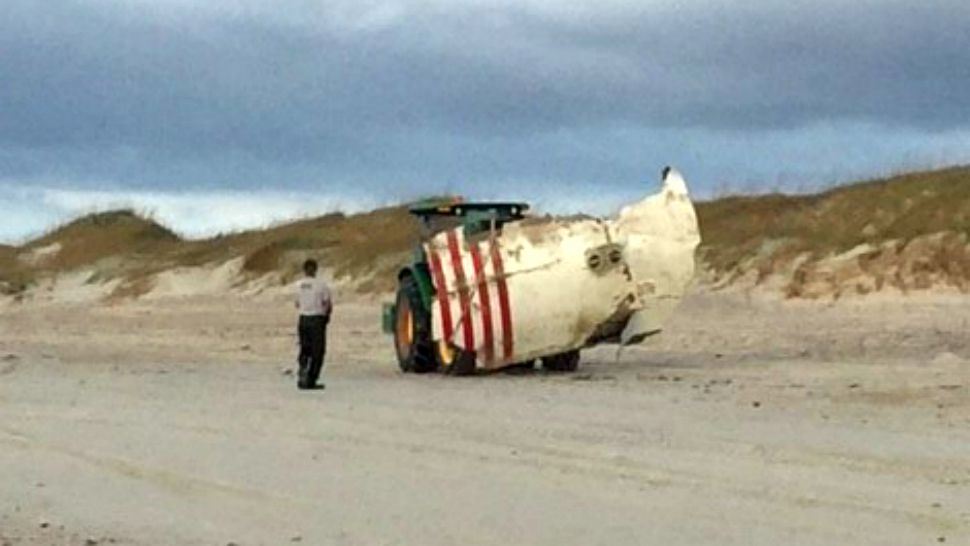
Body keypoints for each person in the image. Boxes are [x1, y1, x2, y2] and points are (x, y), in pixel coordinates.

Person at [295, 258, 332, 390]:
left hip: (303, 318)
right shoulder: (321, 285)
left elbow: (297, 303)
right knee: (318, 351)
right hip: (316, 319)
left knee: (305, 349)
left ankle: (303, 372)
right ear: (315, 269)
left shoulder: (298, 285)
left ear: (304, 270)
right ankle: (311, 379)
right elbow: (327, 303)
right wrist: (327, 317)